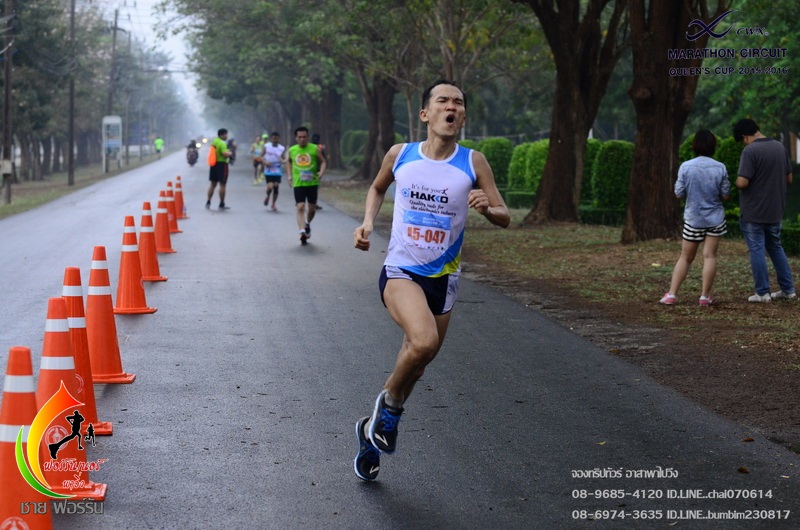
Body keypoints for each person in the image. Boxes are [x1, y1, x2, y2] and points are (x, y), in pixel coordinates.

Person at [351, 80, 510, 481]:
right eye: (443, 101)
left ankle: (370, 433)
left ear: (463, 117)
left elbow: (504, 214)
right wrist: (367, 222)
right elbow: (377, 187)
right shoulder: (401, 154)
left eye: (458, 102)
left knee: (418, 362)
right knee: (423, 342)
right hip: (401, 270)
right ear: (426, 114)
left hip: (445, 278)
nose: (451, 107)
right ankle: (390, 409)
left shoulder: (473, 162)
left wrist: (487, 209)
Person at [659, 131, 730, 306]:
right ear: (713, 146)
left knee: (685, 257)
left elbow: (678, 193)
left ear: (695, 145)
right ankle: (704, 297)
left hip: (693, 219)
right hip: (715, 219)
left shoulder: (686, 166)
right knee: (709, 256)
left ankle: (672, 295)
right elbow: (726, 195)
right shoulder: (720, 167)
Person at [733, 118, 796, 302]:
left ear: (745, 137)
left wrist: (735, 182)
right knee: (775, 247)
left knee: (757, 249)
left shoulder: (750, 150)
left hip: (754, 211)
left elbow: (742, 182)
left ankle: (762, 292)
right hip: (775, 209)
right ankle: (788, 290)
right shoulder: (779, 147)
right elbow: (789, 179)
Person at [287, 126, 327, 244]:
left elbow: (323, 161)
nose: (302, 139)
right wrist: (289, 176)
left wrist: (321, 172)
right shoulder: (292, 150)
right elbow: (289, 161)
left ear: (308, 137)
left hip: (312, 183)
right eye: (299, 137)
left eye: (304, 137)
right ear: (296, 138)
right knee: (300, 206)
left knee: (312, 209)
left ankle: (307, 223)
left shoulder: (314, 148)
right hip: (298, 183)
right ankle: (302, 231)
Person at [206, 128, 233, 210]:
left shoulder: (214, 141)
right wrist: (230, 153)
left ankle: (208, 201)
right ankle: (221, 203)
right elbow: (225, 153)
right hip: (222, 165)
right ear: (221, 135)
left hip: (213, 164)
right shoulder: (222, 143)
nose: (227, 136)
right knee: (222, 184)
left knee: (213, 184)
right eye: (226, 134)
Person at [262, 132, 286, 211]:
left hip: (277, 170)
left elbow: (283, 158)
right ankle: (268, 196)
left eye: (276, 138)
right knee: (270, 187)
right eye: (273, 138)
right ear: (271, 139)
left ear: (279, 139)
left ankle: (273, 203)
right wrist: (265, 162)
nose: (275, 140)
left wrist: (283, 161)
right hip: (268, 170)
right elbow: (261, 156)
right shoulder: (266, 146)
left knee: (276, 186)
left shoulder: (281, 148)